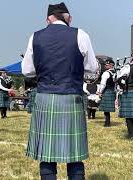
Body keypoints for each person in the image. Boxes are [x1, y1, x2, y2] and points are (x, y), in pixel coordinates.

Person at [21, 2, 99, 180]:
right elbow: (93, 67)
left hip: (44, 98)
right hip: (71, 97)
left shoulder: (35, 36)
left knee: (46, 156)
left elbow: (27, 71)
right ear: (68, 17)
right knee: (75, 155)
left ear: (49, 18)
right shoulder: (80, 34)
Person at [97, 59, 116, 127]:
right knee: (107, 109)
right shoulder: (115, 73)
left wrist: (100, 92)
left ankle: (107, 123)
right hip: (112, 91)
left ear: (111, 65)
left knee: (106, 109)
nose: (105, 65)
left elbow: (103, 84)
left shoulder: (106, 73)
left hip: (106, 91)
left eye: (107, 65)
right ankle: (107, 122)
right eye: (105, 64)